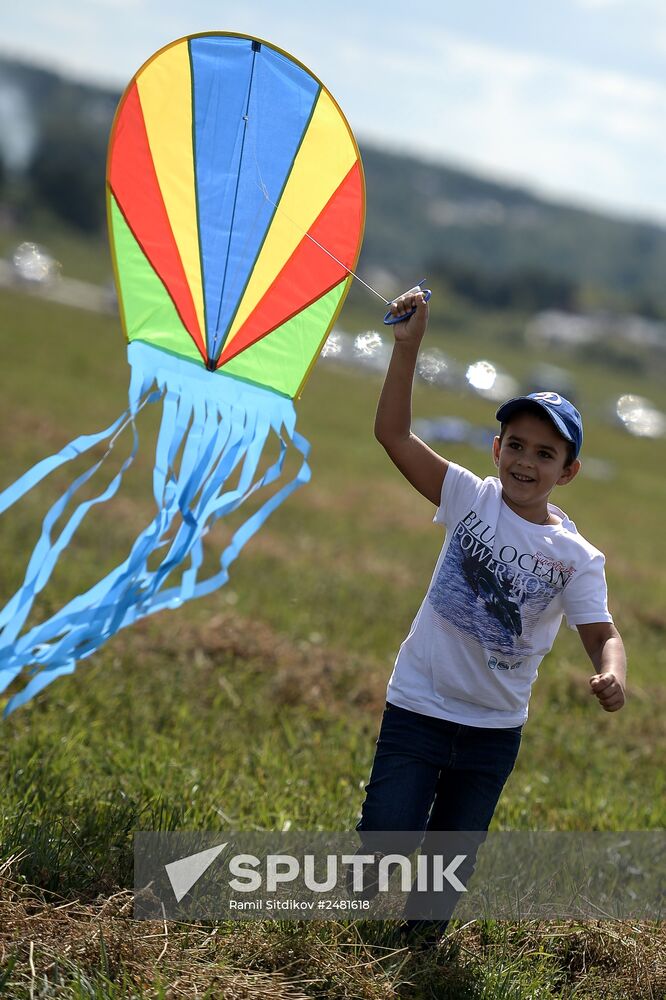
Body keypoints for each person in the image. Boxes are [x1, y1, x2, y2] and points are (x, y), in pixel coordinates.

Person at [354, 288, 627, 947]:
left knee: (445, 874)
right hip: (418, 707)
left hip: (491, 732)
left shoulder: (577, 557)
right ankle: (359, 934)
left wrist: (611, 672)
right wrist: (408, 348)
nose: (525, 462)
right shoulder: (468, 497)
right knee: (381, 846)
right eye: (516, 445)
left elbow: (601, 632)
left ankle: (416, 956)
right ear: (496, 446)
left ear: (568, 472)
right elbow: (392, 434)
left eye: (544, 454)